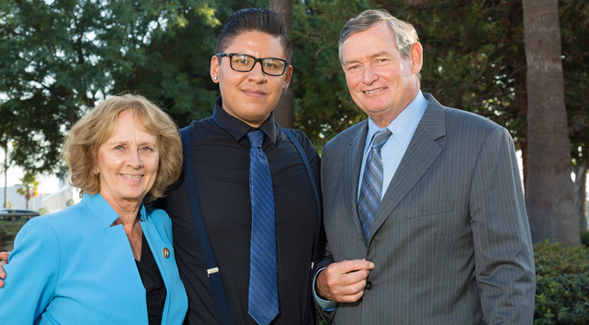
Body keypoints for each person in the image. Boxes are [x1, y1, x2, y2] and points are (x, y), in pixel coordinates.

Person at [314, 9, 536, 324]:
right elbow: (323, 252)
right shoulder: (335, 152)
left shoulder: (481, 141)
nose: (367, 77)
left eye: (380, 60)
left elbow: (507, 275)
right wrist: (322, 284)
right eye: (354, 66)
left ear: (415, 57)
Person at [155, 8, 322, 324]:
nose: (257, 76)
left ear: (285, 79)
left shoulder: (303, 151)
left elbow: (326, 248)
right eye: (242, 61)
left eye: (271, 65)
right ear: (216, 68)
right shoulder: (176, 151)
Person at [0, 95, 188, 324]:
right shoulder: (49, 235)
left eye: (147, 148)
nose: (136, 161)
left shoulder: (161, 224)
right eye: (120, 147)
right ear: (93, 161)